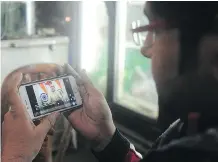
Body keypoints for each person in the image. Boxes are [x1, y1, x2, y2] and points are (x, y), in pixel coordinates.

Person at [1, 1, 218, 162]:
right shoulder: (187, 131)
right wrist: (107, 137)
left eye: (156, 30)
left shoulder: (194, 152)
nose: (145, 48)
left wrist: (15, 157)